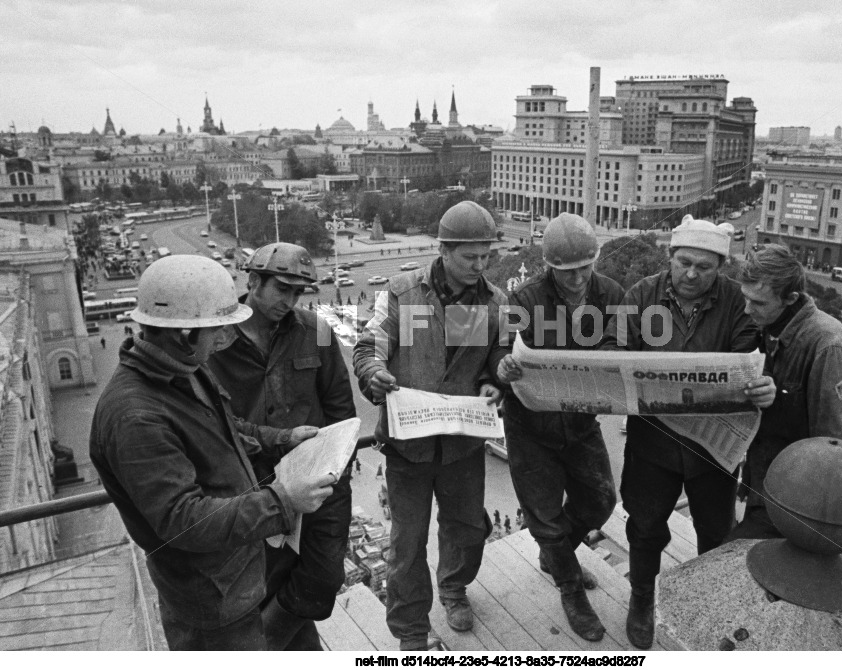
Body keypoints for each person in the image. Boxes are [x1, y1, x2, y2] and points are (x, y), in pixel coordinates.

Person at [90, 255, 334, 650]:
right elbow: (182, 519)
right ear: (184, 332)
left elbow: (226, 428)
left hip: (235, 576)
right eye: (217, 329)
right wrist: (283, 502)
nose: (225, 339)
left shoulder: (184, 369)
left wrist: (282, 438)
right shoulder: (135, 417)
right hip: (209, 602)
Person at [600, 215, 775, 649]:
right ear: (670, 257)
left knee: (714, 534)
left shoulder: (736, 302)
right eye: (684, 263)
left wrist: (753, 383)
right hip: (652, 443)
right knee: (644, 528)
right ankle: (642, 599)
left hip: (712, 450)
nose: (692, 274)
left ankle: (709, 606)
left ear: (720, 268)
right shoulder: (641, 294)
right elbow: (612, 345)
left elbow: (746, 356)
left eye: (704, 266)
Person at [353, 201, 506, 651]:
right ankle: (411, 631)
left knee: (466, 529)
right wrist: (372, 375)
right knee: (407, 545)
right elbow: (369, 346)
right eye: (469, 258)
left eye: (486, 257)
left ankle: (455, 589)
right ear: (443, 250)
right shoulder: (402, 294)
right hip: (408, 449)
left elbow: (495, 358)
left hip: (462, 447)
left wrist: (493, 383)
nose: (480, 267)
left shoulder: (493, 303)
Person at [207, 243, 357, 650]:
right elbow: (215, 423)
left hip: (319, 483)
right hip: (253, 490)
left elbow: (341, 411)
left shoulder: (316, 331)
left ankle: (268, 644)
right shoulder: (215, 341)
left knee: (325, 575)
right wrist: (280, 440)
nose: (290, 302)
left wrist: (337, 470)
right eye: (282, 290)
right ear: (253, 282)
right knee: (266, 584)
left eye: (298, 293)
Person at [495, 213, 622, 642]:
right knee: (544, 517)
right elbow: (497, 352)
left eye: (585, 268)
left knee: (602, 499)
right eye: (566, 272)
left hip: (581, 423)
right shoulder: (526, 301)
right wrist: (504, 367)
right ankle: (570, 589)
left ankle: (556, 555)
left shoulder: (610, 294)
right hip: (530, 426)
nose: (577, 279)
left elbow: (622, 341)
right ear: (550, 266)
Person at [724, 245, 842, 541]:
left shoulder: (828, 345)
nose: (748, 310)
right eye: (745, 299)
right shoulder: (770, 323)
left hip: (802, 504)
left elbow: (839, 445)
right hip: (767, 488)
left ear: (791, 299)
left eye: (758, 302)